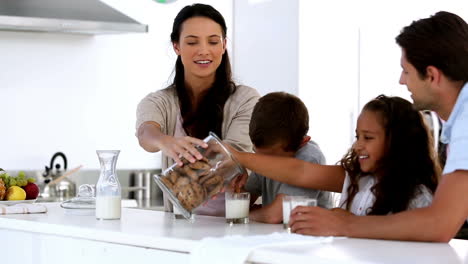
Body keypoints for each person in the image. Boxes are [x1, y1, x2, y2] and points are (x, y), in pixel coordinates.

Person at [231, 95, 440, 232]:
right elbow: (300, 172)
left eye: (368, 138)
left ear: (399, 142)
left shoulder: (418, 196)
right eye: (357, 137)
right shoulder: (357, 179)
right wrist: (236, 159)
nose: (357, 146)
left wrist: (344, 222)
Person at [136, 4, 260, 216]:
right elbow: (145, 133)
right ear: (176, 47)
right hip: (180, 226)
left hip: (236, 225)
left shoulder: (246, 99)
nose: (204, 50)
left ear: (223, 46)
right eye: (192, 42)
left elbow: (235, 153)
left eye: (213, 41)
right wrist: (165, 141)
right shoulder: (159, 101)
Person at [242, 92, 332, 224]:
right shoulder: (266, 153)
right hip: (275, 235)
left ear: (303, 142)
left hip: (309, 239)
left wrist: (246, 214)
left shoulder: (309, 157)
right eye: (257, 153)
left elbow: (275, 215)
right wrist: (235, 186)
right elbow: (242, 200)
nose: (264, 162)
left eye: (272, 158)